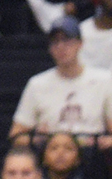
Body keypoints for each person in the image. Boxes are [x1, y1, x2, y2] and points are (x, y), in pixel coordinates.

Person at [11, 17, 112, 150]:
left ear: (80, 44)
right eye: (55, 42)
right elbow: (16, 135)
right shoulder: (37, 84)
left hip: (91, 157)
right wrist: (36, 140)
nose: (61, 47)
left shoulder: (104, 80)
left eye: (67, 40)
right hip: (50, 155)